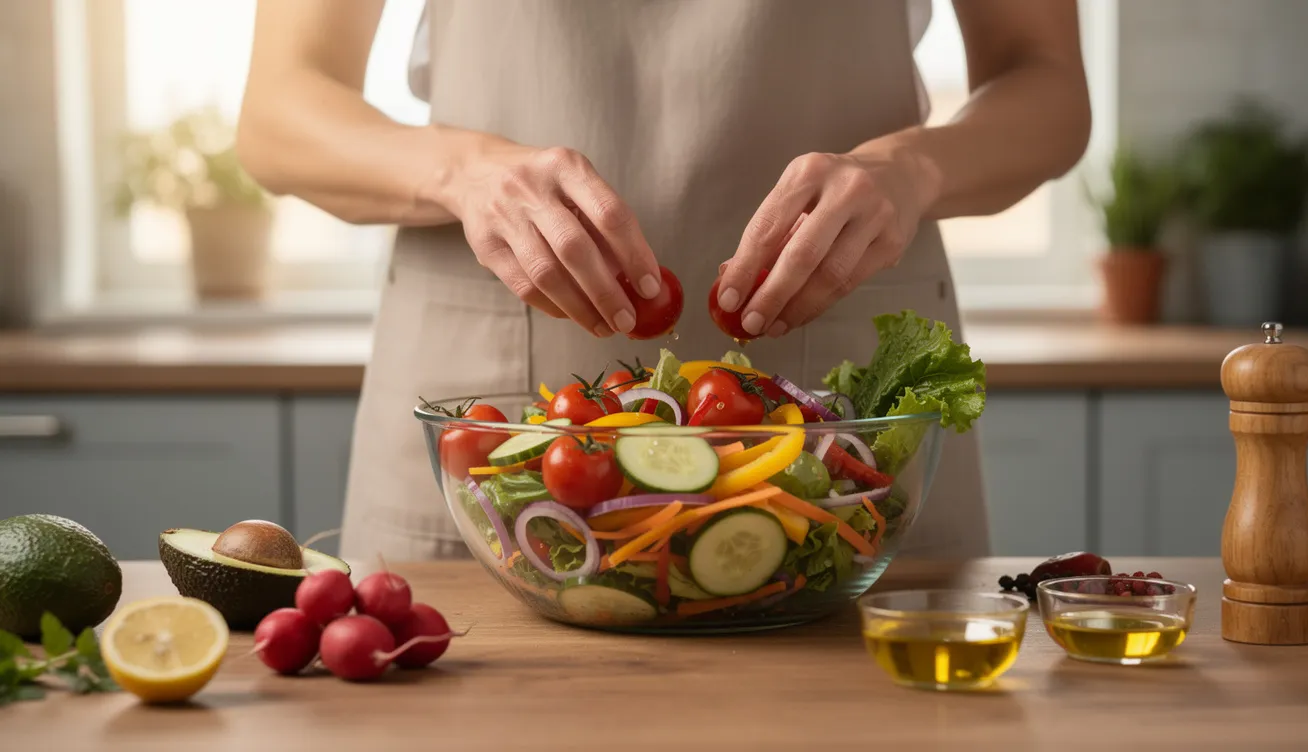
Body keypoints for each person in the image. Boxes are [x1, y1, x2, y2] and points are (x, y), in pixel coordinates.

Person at [238, 0, 1091, 562]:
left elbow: (1047, 84)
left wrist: (911, 171)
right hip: (494, 416)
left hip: (847, 410)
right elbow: (279, 111)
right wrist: (462, 173)